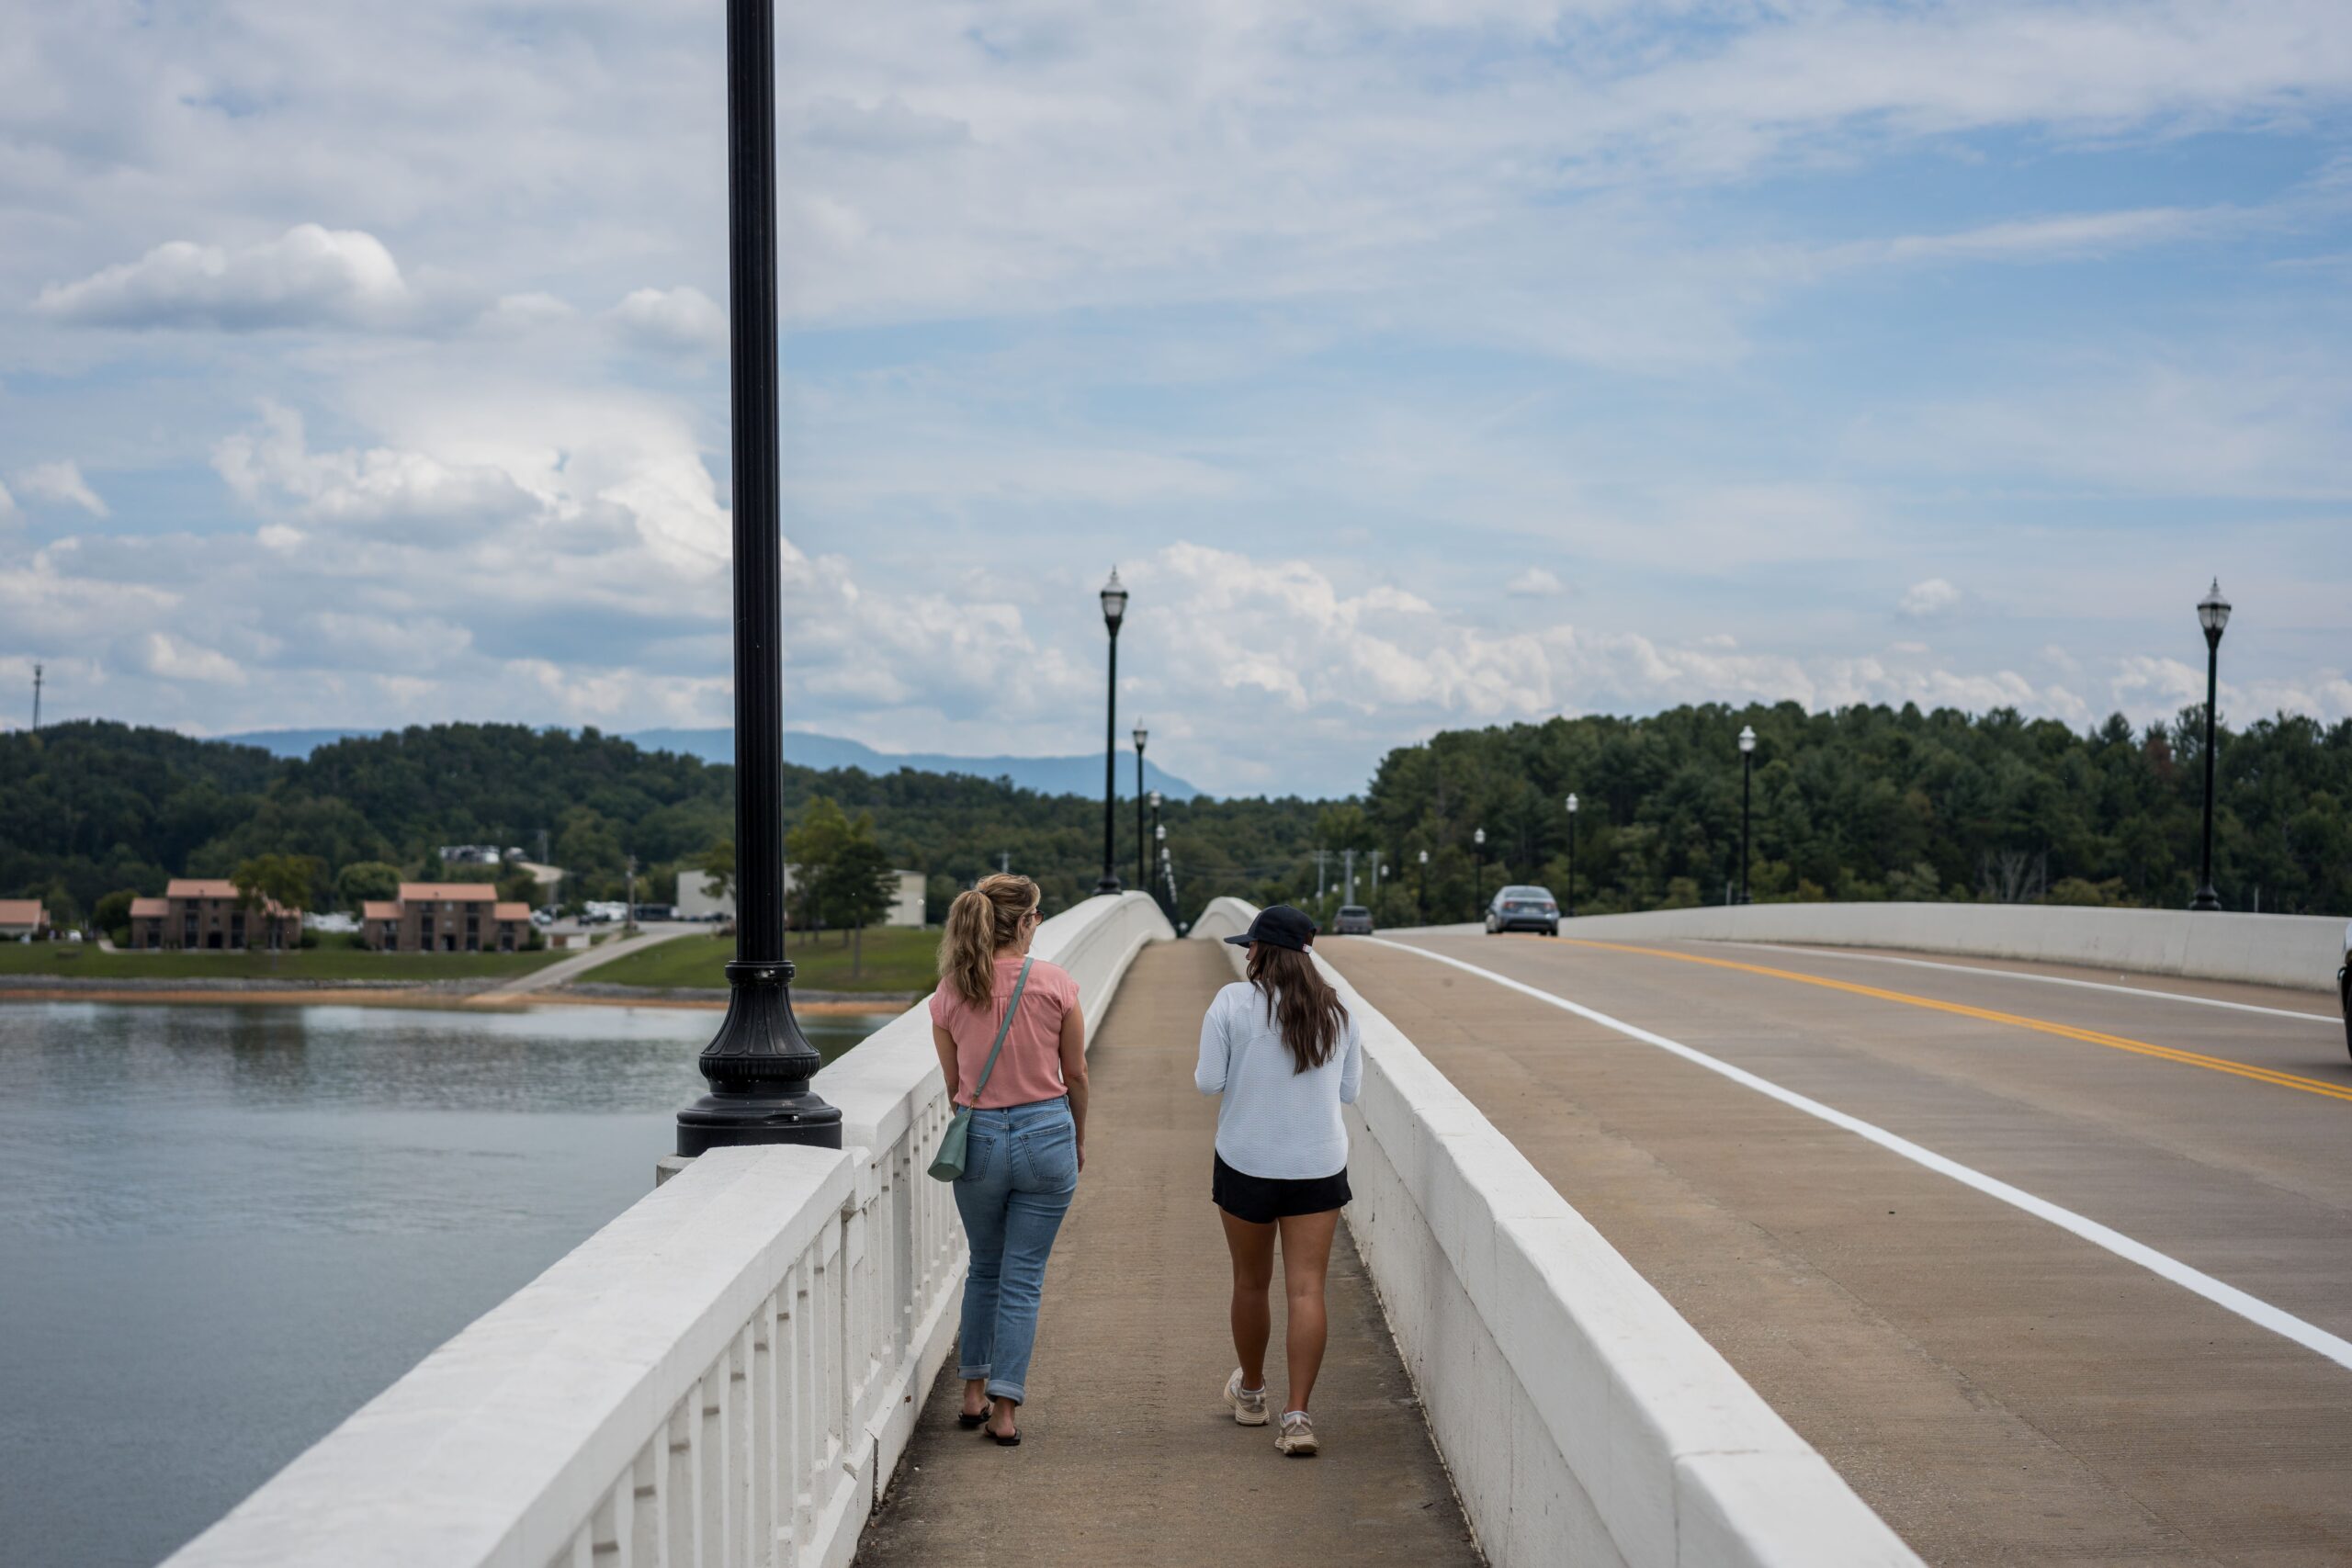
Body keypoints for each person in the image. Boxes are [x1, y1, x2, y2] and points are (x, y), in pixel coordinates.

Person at [1195, 904, 1363, 1457]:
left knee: (1250, 1282)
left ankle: (1250, 1395)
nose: (1246, 953)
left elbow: (1207, 1081)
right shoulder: (1336, 1011)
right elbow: (1347, 1093)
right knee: (1306, 1288)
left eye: (1251, 946)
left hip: (1246, 1160)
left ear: (1263, 951)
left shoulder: (1231, 1003)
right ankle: (1298, 1418)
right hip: (1316, 1164)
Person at [929, 874, 1089, 1447]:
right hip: (1046, 1131)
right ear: (1023, 924)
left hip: (980, 1140)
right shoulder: (1057, 985)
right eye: (1037, 916)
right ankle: (1005, 1411)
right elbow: (1076, 1075)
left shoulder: (950, 992)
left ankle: (971, 1393)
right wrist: (1078, 1136)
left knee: (985, 1268)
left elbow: (955, 1083)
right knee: (1022, 1279)